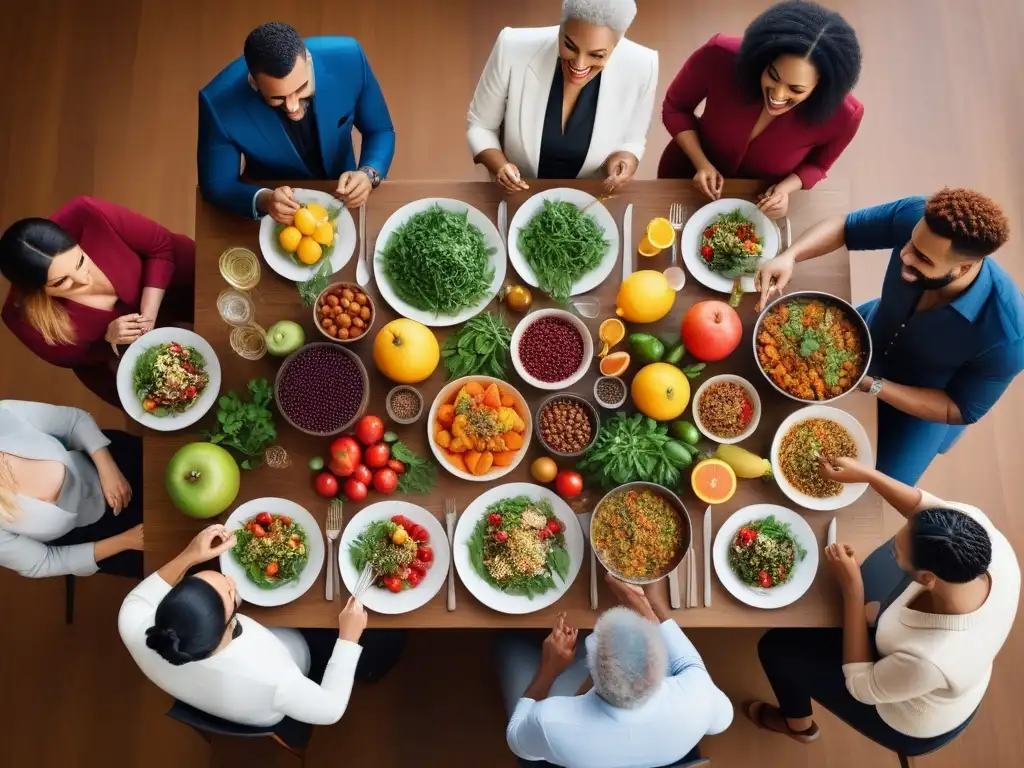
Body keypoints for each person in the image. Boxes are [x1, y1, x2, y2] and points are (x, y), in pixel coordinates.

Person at [751, 456, 1019, 756]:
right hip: (927, 668)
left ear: (927, 578)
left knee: (776, 648)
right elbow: (921, 508)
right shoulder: (979, 535)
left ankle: (798, 726)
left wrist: (852, 590)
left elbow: (862, 686)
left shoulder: (930, 659)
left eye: (898, 553)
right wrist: (866, 474)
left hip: (906, 711)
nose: (894, 550)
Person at [755, 187, 1023, 486]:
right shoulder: (916, 215)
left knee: (878, 483)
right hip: (873, 332)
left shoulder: (1008, 336)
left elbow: (959, 408)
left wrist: (872, 385)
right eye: (909, 242)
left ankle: (942, 439)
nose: (904, 254)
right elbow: (846, 227)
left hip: (924, 394)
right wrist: (791, 256)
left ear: (964, 267)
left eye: (921, 258)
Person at [119, 524, 397, 729]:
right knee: (385, 638)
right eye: (229, 593)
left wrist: (190, 555)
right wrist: (348, 638)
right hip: (280, 684)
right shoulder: (270, 677)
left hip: (213, 692)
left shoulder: (132, 621)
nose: (231, 579)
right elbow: (331, 710)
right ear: (227, 629)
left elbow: (140, 596)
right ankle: (372, 672)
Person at [497, 573, 733, 768]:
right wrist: (649, 606)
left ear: (591, 673)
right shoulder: (699, 695)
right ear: (661, 665)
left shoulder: (550, 721)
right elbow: (720, 721)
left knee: (510, 645)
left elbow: (517, 740)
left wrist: (549, 670)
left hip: (572, 748)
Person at [658, 0, 862, 218]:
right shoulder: (719, 55)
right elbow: (675, 107)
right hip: (686, 174)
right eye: (773, 76)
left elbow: (818, 166)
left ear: (821, 87)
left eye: (796, 89)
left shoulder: (845, 116)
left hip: (757, 203)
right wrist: (701, 163)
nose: (778, 96)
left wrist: (785, 190)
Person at [0, 196, 195, 408]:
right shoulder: (23, 320)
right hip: (122, 352)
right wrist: (109, 339)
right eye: (62, 282)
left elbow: (160, 247)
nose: (84, 280)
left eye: (80, 261)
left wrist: (149, 314)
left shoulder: (88, 214)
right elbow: (76, 358)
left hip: (178, 280)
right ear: (37, 292)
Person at [199, 22, 395, 223]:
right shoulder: (217, 103)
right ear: (254, 83)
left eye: (301, 88)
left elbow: (380, 130)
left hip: (341, 187)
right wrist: (265, 200)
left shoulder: (349, 58)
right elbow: (217, 185)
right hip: (275, 201)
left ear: (309, 61)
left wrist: (368, 173)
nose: (292, 107)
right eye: (278, 98)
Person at [467, 0, 658, 194]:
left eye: (597, 55)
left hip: (590, 199)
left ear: (617, 45)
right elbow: (481, 126)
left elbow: (633, 141)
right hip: (520, 194)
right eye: (569, 45)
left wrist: (626, 157)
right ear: (561, 26)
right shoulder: (512, 47)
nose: (579, 65)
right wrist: (500, 166)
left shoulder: (643, 66)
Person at [0, 400, 143, 579]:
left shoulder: (4, 416)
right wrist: (127, 540)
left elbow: (73, 421)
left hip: (110, 461)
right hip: (99, 537)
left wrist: (108, 469)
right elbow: (44, 563)